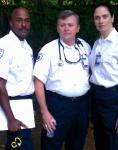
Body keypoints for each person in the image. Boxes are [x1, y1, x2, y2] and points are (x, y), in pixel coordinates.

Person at [33, 10, 91, 150]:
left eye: (70, 25)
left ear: (77, 28)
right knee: (51, 144)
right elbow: (38, 82)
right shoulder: (48, 50)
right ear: (57, 27)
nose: (66, 28)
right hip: (57, 106)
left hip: (82, 106)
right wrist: (44, 112)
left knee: (77, 144)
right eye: (62, 25)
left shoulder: (86, 47)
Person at [0, 6, 34, 150]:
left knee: (16, 144)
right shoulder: (2, 47)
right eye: (19, 20)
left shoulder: (26, 47)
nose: (24, 25)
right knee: (21, 145)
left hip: (25, 104)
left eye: (27, 21)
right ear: (11, 22)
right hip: (12, 106)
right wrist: (11, 118)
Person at [89, 3, 118, 150]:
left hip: (112, 98)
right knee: (99, 138)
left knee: (112, 141)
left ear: (112, 18)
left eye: (105, 16)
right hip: (96, 97)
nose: (101, 21)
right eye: (97, 18)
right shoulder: (97, 43)